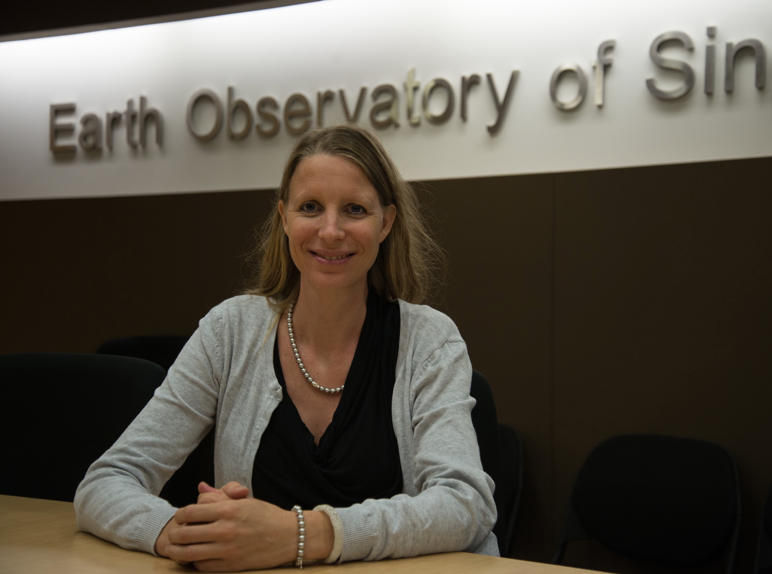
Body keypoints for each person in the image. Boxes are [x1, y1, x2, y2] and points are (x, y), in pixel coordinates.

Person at [74, 123, 498, 572]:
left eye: (354, 209)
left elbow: (464, 504)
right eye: (310, 207)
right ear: (283, 217)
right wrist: (185, 535)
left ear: (386, 222)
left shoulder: (429, 341)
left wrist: (302, 535)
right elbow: (106, 482)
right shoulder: (229, 331)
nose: (330, 230)